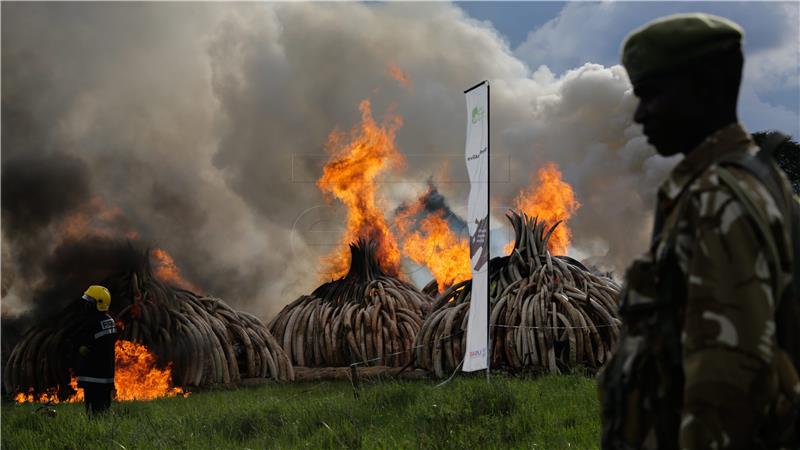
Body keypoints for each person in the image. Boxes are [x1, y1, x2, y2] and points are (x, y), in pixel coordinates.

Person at [598, 13, 799, 450]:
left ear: (704, 89)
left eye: (652, 95)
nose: (640, 113)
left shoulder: (718, 201)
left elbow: (726, 380)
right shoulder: (758, 180)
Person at [76, 285, 117, 415]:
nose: (86, 305)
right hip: (106, 375)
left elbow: (84, 345)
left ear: (98, 304)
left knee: (93, 412)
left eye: (89, 302)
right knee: (104, 409)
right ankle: (103, 430)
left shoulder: (91, 323)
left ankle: (96, 432)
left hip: (93, 376)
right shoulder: (109, 320)